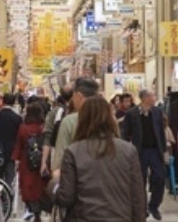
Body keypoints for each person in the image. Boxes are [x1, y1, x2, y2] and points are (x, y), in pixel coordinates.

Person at [54, 96, 146, 221]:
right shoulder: (128, 151)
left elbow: (66, 197)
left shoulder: (73, 152)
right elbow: (137, 197)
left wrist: (53, 187)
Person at [121, 88, 167, 220]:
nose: (155, 97)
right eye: (153, 95)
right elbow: (125, 133)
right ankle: (141, 208)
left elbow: (161, 133)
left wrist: (163, 150)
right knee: (139, 181)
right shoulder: (132, 114)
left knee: (160, 178)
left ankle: (154, 205)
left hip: (155, 150)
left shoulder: (157, 112)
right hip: (139, 152)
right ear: (145, 98)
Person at [52, 76, 99, 175]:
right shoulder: (109, 120)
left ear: (78, 95)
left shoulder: (69, 121)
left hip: (77, 180)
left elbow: (59, 162)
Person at [14, 102, 48, 222]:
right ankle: (38, 212)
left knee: (27, 186)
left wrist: (15, 159)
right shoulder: (43, 128)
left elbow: (18, 145)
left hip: (26, 162)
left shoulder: (23, 128)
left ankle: (31, 209)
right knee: (39, 186)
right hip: (41, 160)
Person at [0, 92, 23, 187]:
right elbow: (18, 138)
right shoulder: (17, 118)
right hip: (11, 152)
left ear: (2, 101)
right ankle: (8, 196)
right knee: (9, 177)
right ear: (14, 102)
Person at [42, 85, 73, 177]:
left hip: (57, 158)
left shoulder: (55, 112)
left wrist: (44, 162)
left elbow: (47, 137)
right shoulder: (83, 112)